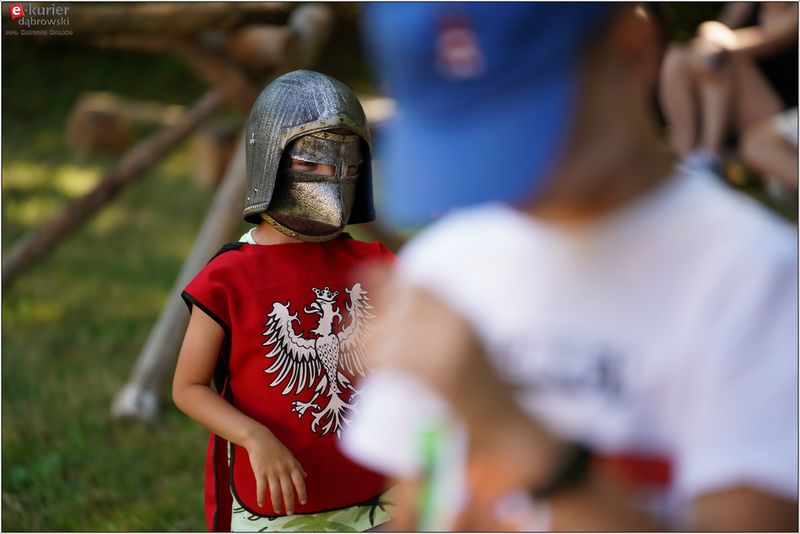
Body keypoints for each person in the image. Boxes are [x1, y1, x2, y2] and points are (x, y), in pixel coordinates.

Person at [342, 4, 797, 531]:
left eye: (525, 123)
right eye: (463, 134)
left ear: (633, 50)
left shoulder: (756, 279)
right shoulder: (448, 262)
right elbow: (418, 504)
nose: (497, 167)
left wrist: (514, 433)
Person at [173, 70, 395, 532]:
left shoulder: (373, 263)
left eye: (348, 167)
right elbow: (188, 387)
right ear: (271, 160)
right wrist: (254, 437)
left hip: (377, 488)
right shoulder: (229, 278)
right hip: (278, 498)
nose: (332, 180)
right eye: (312, 164)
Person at [658, 3, 798, 168]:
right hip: (733, 96)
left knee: (721, 62)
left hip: (779, 108)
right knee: (677, 57)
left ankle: (709, 155)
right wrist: (711, 33)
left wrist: (717, 41)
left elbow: (766, 42)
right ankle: (687, 154)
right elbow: (722, 28)